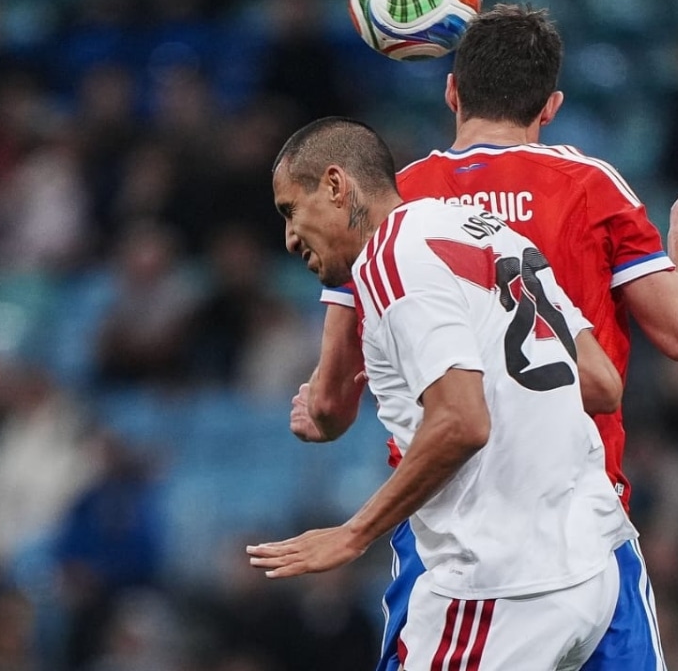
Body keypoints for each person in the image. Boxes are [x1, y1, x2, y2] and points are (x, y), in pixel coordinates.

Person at [290, 4, 678, 670]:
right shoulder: (590, 186)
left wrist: (315, 417)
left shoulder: (395, 204)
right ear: (550, 107)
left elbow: (333, 404)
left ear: (451, 91)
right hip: (588, 520)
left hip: (462, 538)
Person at [248, 117, 636, 670]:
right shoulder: (488, 232)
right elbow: (601, 383)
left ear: (335, 186)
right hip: (588, 573)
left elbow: (462, 422)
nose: (289, 237)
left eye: (291, 210)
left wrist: (354, 534)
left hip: (503, 584)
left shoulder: (387, 258)